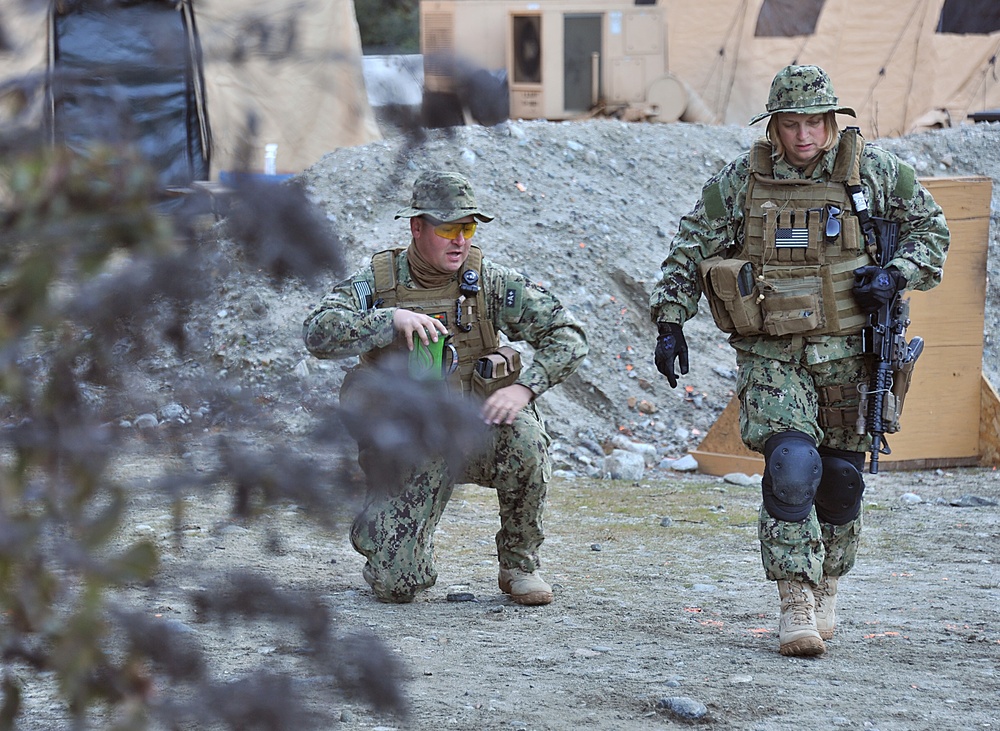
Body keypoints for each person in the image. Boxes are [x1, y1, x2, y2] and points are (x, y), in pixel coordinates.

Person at [648, 65, 949, 656]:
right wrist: (669, 320)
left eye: (815, 122)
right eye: (792, 124)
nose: (805, 136)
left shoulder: (876, 173)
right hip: (772, 355)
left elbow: (932, 233)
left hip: (849, 356)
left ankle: (828, 580)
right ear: (775, 126)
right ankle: (795, 601)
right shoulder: (743, 182)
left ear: (832, 122)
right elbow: (690, 245)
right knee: (790, 466)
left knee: (839, 481)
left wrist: (895, 274)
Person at [303, 170, 588, 605]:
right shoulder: (378, 282)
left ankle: (519, 564)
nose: (460, 240)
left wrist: (525, 390)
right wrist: (388, 320)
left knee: (526, 438)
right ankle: (379, 527)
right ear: (417, 227)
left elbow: (567, 334)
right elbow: (318, 333)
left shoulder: (488, 281)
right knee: (398, 588)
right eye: (448, 228)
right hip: (411, 441)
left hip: (476, 424)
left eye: (468, 228)